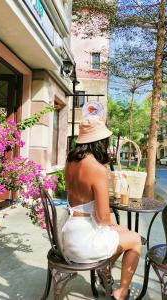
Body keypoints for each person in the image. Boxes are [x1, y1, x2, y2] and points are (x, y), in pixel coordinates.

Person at [61, 116, 141, 300]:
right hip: (82, 242)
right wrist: (114, 226)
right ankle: (121, 293)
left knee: (122, 233)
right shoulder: (97, 169)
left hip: (66, 235)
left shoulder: (70, 161)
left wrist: (115, 227)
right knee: (135, 239)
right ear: (99, 141)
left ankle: (103, 271)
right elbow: (103, 218)